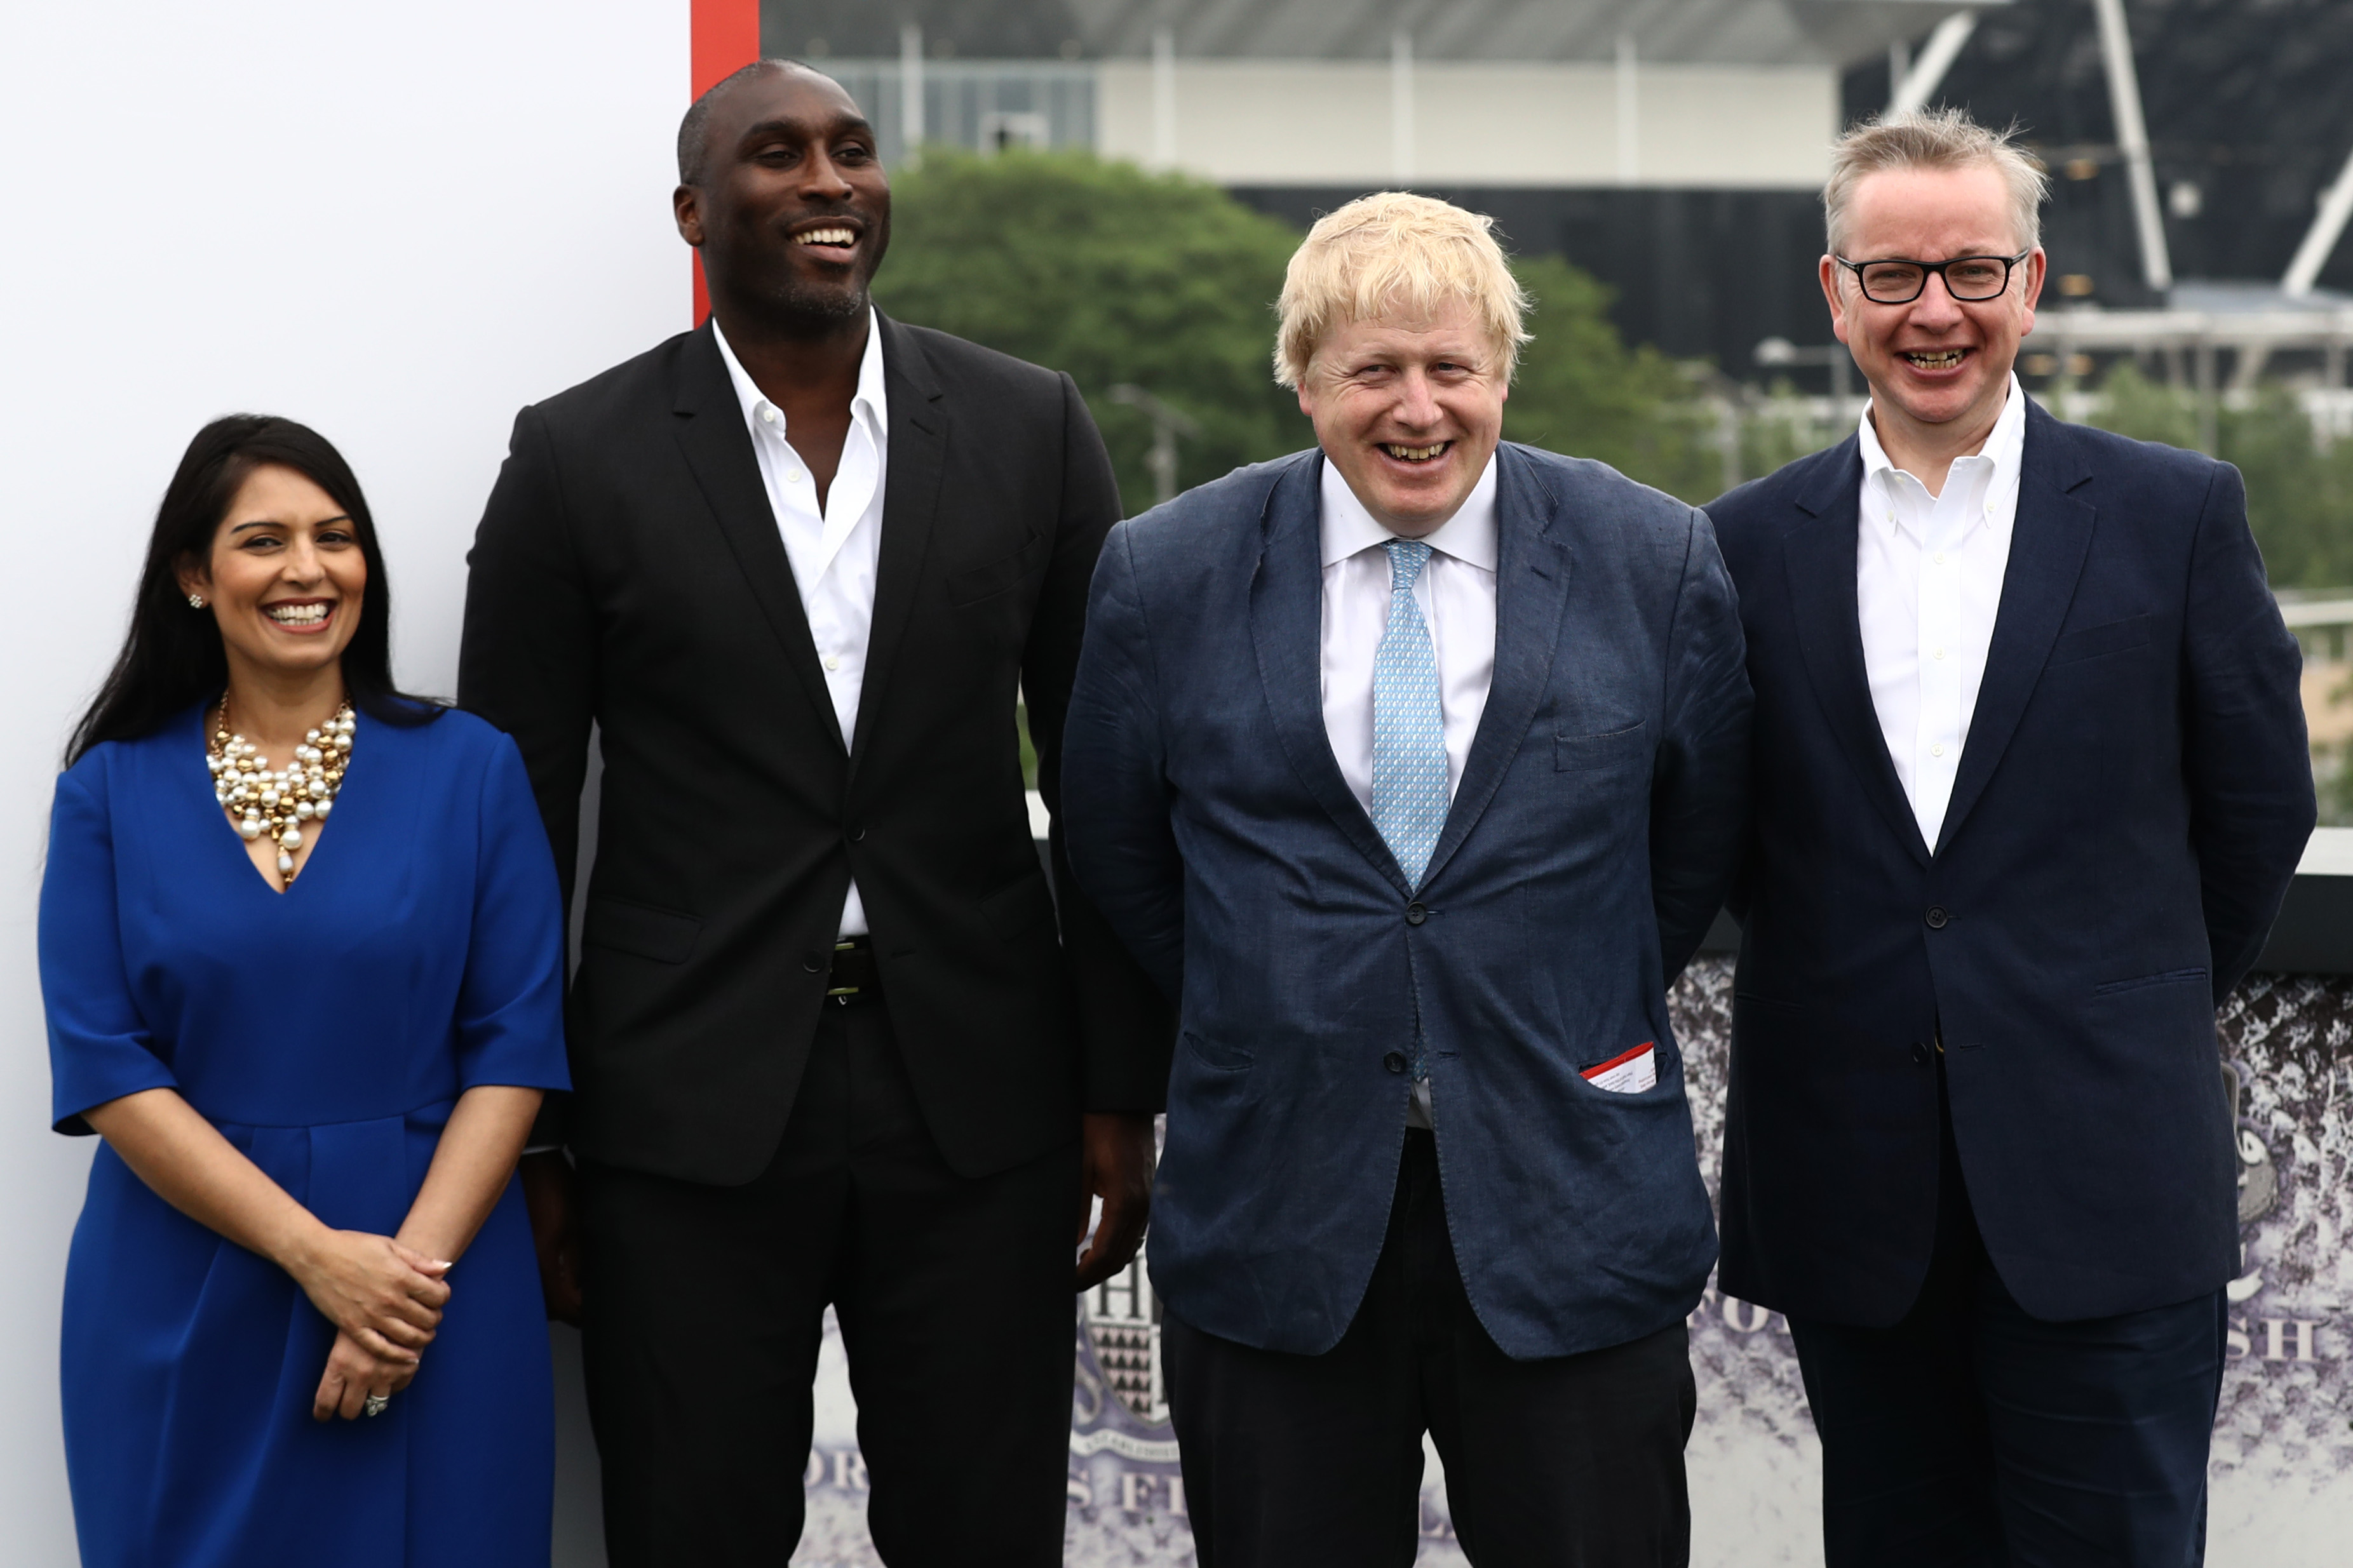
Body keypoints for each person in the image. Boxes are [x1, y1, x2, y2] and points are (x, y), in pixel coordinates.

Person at [455, 59, 1168, 1566]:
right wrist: (529, 1138)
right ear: (694, 209)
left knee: (981, 1535)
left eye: (853, 151)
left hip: (977, 1101)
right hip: (684, 1113)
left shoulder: (1031, 424)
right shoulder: (576, 455)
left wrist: (1118, 1082)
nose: (831, 181)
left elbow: (1107, 771)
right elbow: (512, 815)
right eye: (777, 156)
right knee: (690, 1528)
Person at [1061, 191, 1752, 1567]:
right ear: (1305, 380)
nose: (1417, 407)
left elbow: (1693, 850)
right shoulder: (1164, 573)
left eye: (1451, 367)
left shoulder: (1654, 559)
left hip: (1571, 1207)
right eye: (1373, 369)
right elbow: (1117, 855)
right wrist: (1281, 995)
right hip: (1276, 1212)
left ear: (1501, 372)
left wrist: (1543, 988)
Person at [1706, 109, 2316, 1566]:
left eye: (1972, 272)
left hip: (2105, 1175)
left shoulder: (2174, 514)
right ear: (1833, 291)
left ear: (2031, 287)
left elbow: (2257, 809)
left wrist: (2111, 996)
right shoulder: (1735, 542)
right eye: (1895, 275)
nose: (1936, 312)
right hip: (1854, 1189)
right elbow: (1723, 832)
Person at [40, 415, 571, 1568]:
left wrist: (399, 1287)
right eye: (262, 539)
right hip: (187, 1277)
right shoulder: (107, 793)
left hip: (433, 1276)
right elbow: (106, 1064)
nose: (306, 570)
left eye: (335, 538)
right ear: (193, 574)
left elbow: (517, 1042)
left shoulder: (472, 766)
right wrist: (317, 1255)